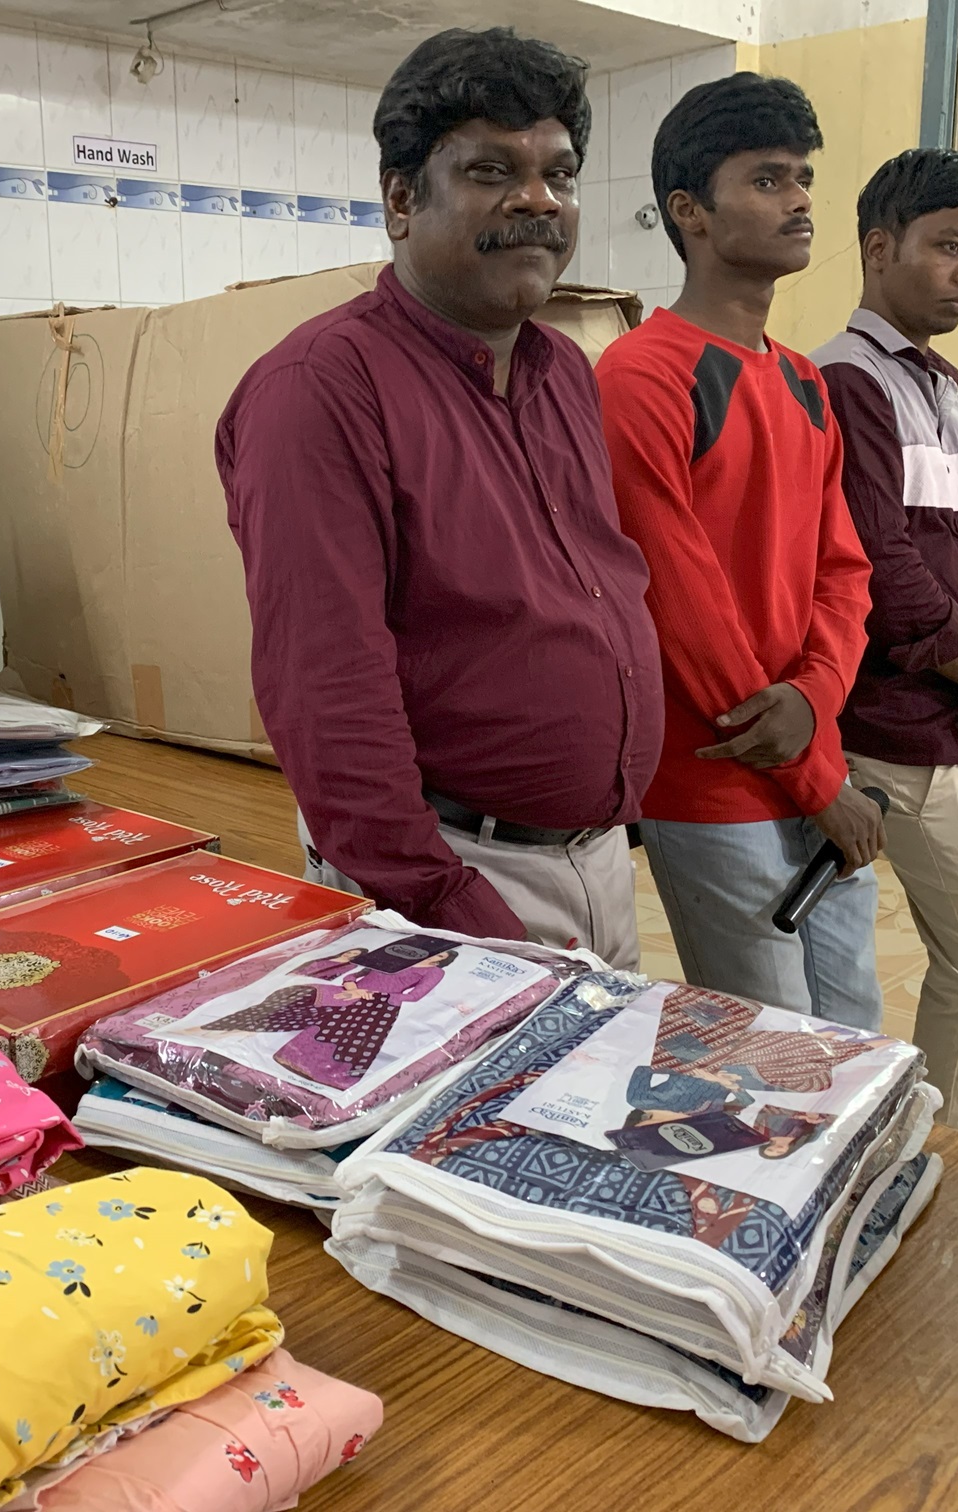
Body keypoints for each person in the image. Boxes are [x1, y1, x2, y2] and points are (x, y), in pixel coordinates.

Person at [216, 27, 664, 968]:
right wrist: (445, 898)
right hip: (449, 875)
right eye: (492, 170)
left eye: (560, 173)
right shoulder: (321, 388)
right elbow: (327, 690)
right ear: (400, 200)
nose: (538, 200)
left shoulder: (563, 371)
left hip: (593, 859)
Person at [596, 73, 882, 1028]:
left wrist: (817, 703)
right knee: (767, 1048)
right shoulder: (642, 376)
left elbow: (844, 571)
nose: (799, 201)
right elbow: (681, 606)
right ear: (690, 211)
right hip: (714, 780)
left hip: (814, 753)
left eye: (803, 179)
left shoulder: (802, 379)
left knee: (852, 1033)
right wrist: (815, 774)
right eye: (767, 180)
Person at [811, 148, 958, 1146]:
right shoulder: (846, 382)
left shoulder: (947, 390)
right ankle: (927, 1162)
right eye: (951, 246)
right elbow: (888, 573)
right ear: (880, 247)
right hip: (914, 728)